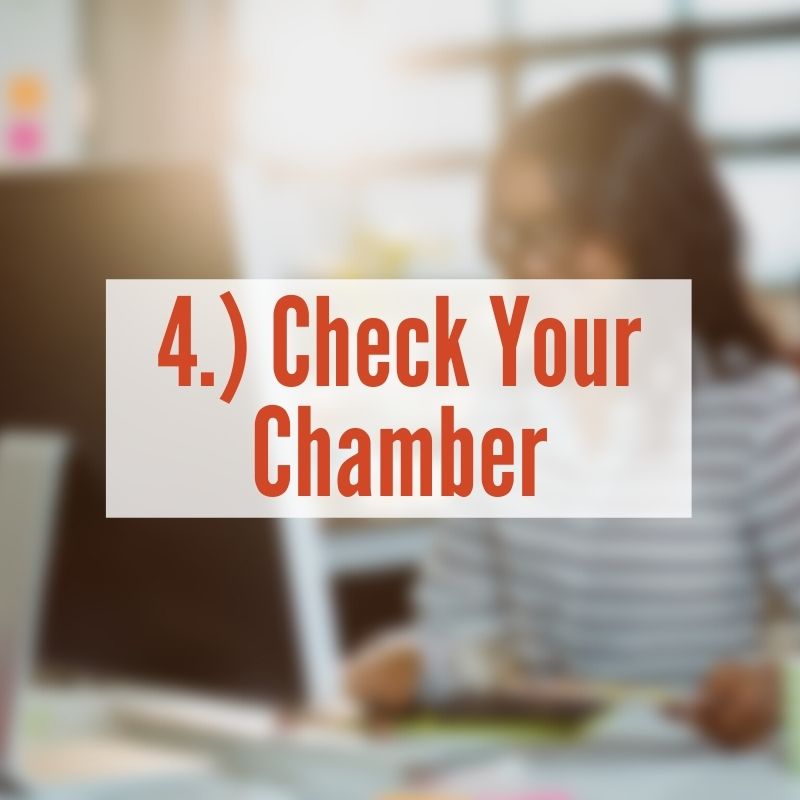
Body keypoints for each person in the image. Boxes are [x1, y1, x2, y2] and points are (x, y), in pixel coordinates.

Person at [346, 76, 800, 748]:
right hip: (546, 775)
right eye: (518, 236)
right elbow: (456, 628)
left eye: (565, 234)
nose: (533, 267)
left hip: (702, 778)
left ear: (656, 227)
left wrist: (778, 690)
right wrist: (412, 665)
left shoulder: (757, 411)